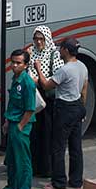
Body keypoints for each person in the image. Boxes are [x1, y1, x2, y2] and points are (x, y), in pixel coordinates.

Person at [35, 37, 88, 189]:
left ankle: (58, 182)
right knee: (75, 146)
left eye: (60, 47)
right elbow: (84, 88)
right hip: (77, 106)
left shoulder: (64, 70)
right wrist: (82, 109)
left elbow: (46, 86)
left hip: (64, 108)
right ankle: (76, 181)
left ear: (66, 50)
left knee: (58, 146)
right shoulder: (82, 66)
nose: (58, 50)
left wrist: (38, 67)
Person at [0, 48, 36, 189]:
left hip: (21, 126)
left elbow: (30, 108)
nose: (14, 65)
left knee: (23, 161)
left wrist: (20, 126)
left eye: (18, 63)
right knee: (11, 159)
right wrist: (7, 122)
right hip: (12, 122)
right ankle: (11, 188)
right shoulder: (16, 78)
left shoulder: (27, 82)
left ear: (25, 65)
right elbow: (12, 103)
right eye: (13, 62)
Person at [27, 25, 63, 177]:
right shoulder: (31, 52)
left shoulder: (54, 54)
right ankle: (35, 167)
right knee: (34, 134)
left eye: (41, 39)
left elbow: (56, 78)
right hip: (35, 98)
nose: (38, 42)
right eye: (36, 39)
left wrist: (38, 75)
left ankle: (46, 169)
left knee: (47, 134)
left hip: (47, 100)